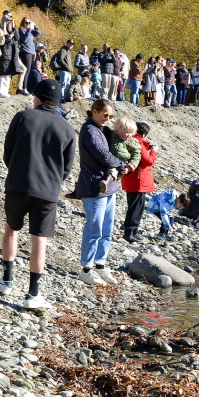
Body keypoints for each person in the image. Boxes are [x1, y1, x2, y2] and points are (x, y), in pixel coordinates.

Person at [0, 78, 75, 310]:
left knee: (12, 229)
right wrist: (52, 182)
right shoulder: (67, 128)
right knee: (39, 240)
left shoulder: (23, 117)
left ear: (38, 98)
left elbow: (7, 153)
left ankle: (7, 280)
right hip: (48, 191)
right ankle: (33, 294)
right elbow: (67, 168)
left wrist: (19, 171)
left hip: (18, 184)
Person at [76, 99, 126, 286]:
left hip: (109, 188)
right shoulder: (89, 130)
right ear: (94, 111)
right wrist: (121, 164)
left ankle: (100, 264)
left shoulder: (102, 129)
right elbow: (103, 155)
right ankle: (86, 269)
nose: (108, 119)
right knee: (93, 229)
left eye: (110, 116)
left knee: (106, 230)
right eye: (105, 115)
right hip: (93, 187)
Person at [121, 122, 158, 242]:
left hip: (134, 179)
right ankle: (129, 233)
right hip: (137, 180)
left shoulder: (133, 140)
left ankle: (133, 231)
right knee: (136, 207)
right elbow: (148, 161)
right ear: (144, 134)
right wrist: (154, 151)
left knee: (136, 206)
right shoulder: (138, 142)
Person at [16, 17, 41, 95]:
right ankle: (24, 88)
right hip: (25, 52)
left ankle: (24, 88)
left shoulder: (30, 31)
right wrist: (29, 29)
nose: (28, 24)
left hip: (31, 53)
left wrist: (34, 24)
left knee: (28, 71)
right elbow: (24, 40)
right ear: (23, 23)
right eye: (26, 23)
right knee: (26, 70)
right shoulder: (21, 30)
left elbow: (38, 32)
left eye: (29, 23)